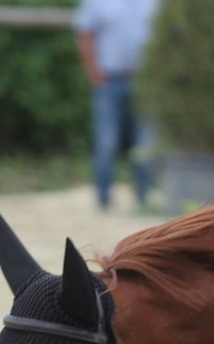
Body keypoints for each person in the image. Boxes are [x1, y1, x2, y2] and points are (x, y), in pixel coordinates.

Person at [73, 0, 157, 212]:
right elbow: (85, 34)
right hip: (109, 80)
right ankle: (103, 201)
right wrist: (94, 74)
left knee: (146, 144)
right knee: (106, 144)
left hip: (147, 81)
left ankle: (143, 200)